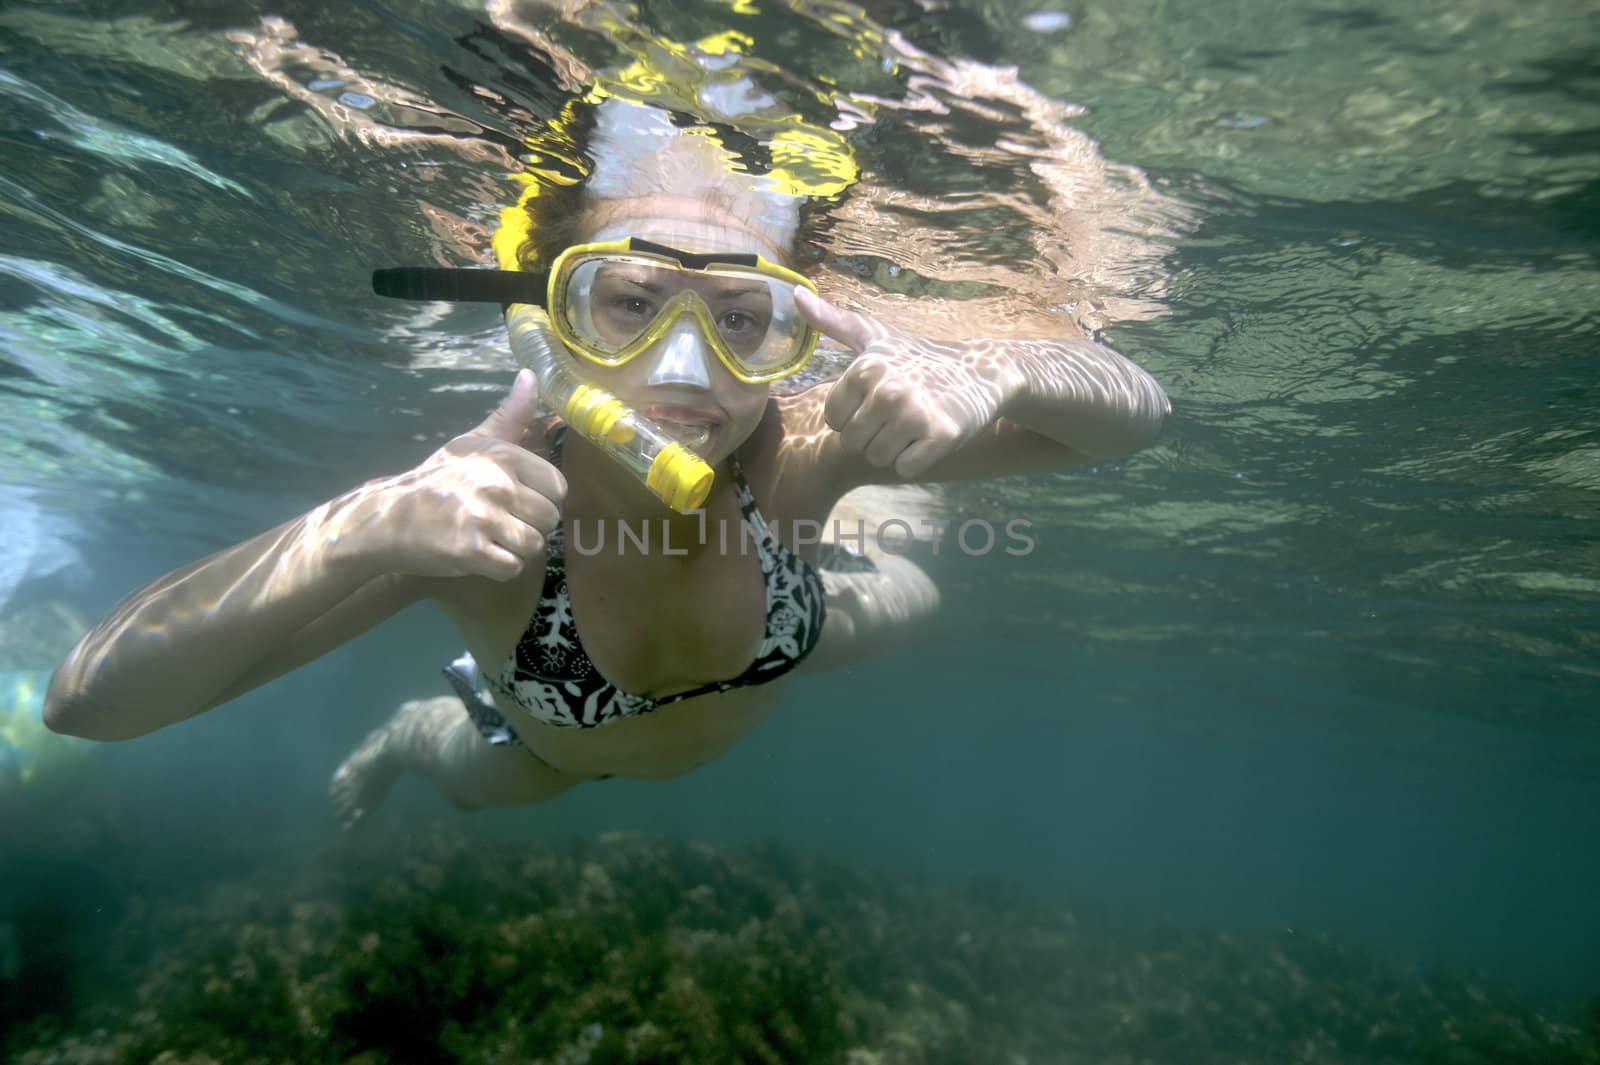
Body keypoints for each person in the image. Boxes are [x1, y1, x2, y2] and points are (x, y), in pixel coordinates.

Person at [43, 80, 1170, 827]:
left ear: (790, 331)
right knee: (488, 781)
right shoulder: (477, 526)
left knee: (912, 579)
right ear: (546, 319)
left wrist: (994, 376)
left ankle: (894, 511)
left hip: (789, 646)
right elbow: (89, 703)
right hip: (555, 748)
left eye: (739, 318)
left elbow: (1131, 417)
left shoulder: (800, 446)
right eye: (627, 304)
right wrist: (361, 536)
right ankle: (405, 736)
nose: (686, 372)